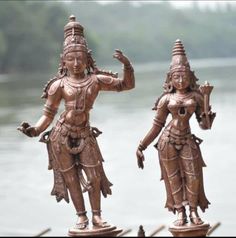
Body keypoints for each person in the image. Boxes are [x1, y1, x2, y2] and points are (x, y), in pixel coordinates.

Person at [18, 15, 135, 230]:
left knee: (94, 174)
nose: (76, 63)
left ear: (88, 59)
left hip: (84, 132)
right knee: (70, 177)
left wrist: (127, 65)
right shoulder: (58, 85)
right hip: (61, 134)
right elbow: (48, 114)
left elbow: (126, 85)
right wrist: (35, 130)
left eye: (80, 58)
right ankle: (81, 216)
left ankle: (97, 216)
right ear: (63, 60)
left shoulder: (96, 80)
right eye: (71, 58)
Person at [136, 39, 215, 227]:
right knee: (173, 177)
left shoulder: (196, 96)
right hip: (167, 141)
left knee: (193, 176)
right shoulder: (166, 99)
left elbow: (205, 126)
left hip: (187, 139)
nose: (180, 81)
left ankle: (194, 211)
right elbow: (157, 126)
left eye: (184, 76)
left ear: (190, 76)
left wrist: (206, 100)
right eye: (176, 77)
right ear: (170, 79)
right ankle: (180, 212)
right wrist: (141, 146)